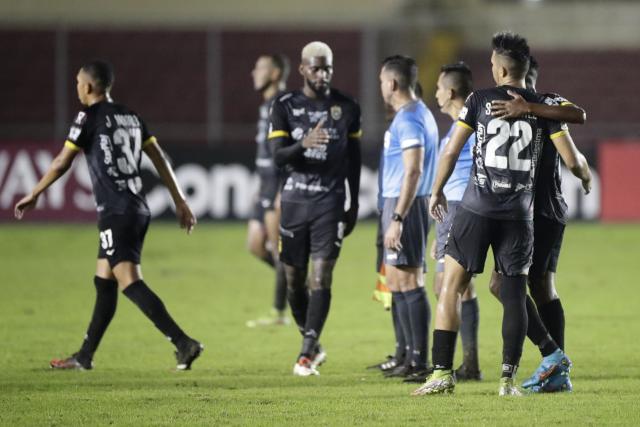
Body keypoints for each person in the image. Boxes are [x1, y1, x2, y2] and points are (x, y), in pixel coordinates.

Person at [412, 31, 591, 396]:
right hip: (523, 212)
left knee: (459, 285)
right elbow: (574, 156)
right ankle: (520, 373)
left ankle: (445, 372)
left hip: (487, 206)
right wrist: (585, 177)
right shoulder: (546, 104)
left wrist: (436, 191)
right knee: (515, 288)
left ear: (501, 69)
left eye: (493, 64)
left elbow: (451, 152)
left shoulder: (487, 100)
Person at [14, 60, 203, 371]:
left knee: (129, 281)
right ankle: (85, 356)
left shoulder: (87, 117)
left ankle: (183, 343)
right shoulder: (132, 117)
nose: (76, 87)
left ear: (89, 86)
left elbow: (63, 161)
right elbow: (159, 158)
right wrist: (180, 200)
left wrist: (35, 193)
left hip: (116, 210)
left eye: (78, 82)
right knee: (105, 280)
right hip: (137, 207)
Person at [487, 55, 588, 392]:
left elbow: (578, 116)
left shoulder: (543, 105)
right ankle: (556, 367)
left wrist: (528, 107)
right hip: (544, 210)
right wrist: (584, 176)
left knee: (502, 285)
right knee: (542, 287)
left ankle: (554, 358)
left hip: (535, 212)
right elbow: (574, 160)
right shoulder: (532, 109)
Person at [269, 41, 362, 376]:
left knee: (321, 277)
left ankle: (307, 351)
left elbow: (354, 160)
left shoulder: (347, 106)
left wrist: (352, 204)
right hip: (294, 203)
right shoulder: (284, 106)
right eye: (316, 68)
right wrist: (302, 144)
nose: (322, 74)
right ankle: (311, 341)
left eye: (328, 68)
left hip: (330, 203)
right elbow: (277, 156)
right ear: (303, 69)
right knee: (294, 280)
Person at [378, 55, 438, 382]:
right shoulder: (414, 114)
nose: (380, 89)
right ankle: (409, 357)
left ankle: (420, 361)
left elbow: (413, 170)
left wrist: (398, 216)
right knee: (398, 280)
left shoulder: (410, 119)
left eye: (381, 82)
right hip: (401, 202)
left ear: (393, 83)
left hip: (407, 205)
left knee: (411, 280)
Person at [432, 61, 481, 381]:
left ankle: (444, 369)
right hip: (465, 208)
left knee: (444, 287)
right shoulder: (467, 123)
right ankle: (470, 363)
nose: (435, 93)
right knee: (465, 288)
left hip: (458, 210)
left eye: (438, 88)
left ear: (450, 91)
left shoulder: (468, 124)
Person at [245, 54, 292, 328]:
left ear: (275, 74)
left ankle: (279, 312)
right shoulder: (266, 106)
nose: (254, 72)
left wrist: (282, 189)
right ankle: (298, 283)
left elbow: (286, 150)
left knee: (278, 249)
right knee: (255, 245)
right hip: (264, 184)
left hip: (277, 185)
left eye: (260, 68)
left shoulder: (283, 104)